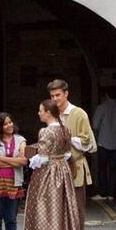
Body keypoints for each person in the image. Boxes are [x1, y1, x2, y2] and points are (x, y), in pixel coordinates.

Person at [22, 99, 83, 230]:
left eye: (41, 110)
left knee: (46, 210)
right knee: (62, 210)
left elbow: (42, 158)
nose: (39, 113)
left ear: (48, 113)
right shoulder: (66, 129)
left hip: (48, 173)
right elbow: (68, 153)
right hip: (62, 171)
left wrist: (32, 158)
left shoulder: (45, 132)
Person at [46, 79, 97, 216]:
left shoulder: (79, 113)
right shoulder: (52, 113)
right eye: (52, 96)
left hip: (75, 167)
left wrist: (68, 138)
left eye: (58, 95)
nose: (55, 99)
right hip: (56, 167)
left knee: (77, 210)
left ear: (66, 94)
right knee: (58, 211)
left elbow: (88, 144)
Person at [91, 88, 116, 200]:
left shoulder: (101, 108)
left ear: (106, 95)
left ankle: (102, 193)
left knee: (102, 169)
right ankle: (112, 193)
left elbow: (95, 125)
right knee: (114, 169)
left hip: (103, 142)